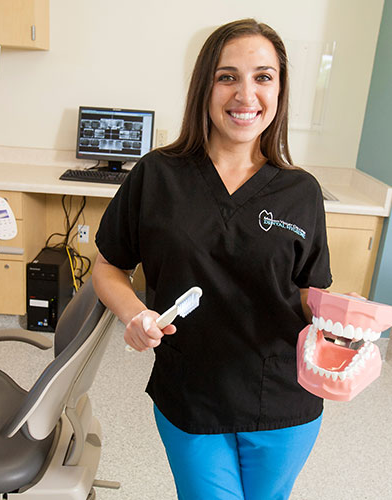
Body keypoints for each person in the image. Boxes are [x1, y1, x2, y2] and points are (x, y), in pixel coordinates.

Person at [92, 18, 332, 500]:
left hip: (283, 399)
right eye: (228, 77)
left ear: (280, 90)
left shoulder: (300, 191)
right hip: (191, 392)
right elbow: (107, 265)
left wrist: (343, 326)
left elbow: (310, 293)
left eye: (263, 77)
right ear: (205, 86)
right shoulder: (158, 175)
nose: (246, 94)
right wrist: (135, 314)